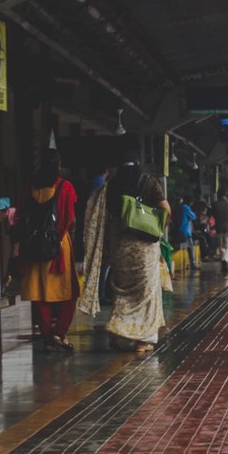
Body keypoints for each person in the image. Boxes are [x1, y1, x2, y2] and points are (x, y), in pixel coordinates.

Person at [80, 150, 168, 353]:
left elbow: (100, 216)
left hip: (120, 248)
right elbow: (166, 209)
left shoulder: (110, 187)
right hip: (144, 247)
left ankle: (118, 335)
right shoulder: (150, 183)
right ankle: (143, 340)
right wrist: (156, 227)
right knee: (145, 293)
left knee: (122, 291)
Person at [12, 149, 79, 352]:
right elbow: (70, 219)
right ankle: (60, 332)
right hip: (58, 246)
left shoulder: (29, 187)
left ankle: (47, 338)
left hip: (33, 247)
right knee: (70, 292)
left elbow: (20, 216)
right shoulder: (65, 187)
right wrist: (63, 238)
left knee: (40, 293)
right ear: (58, 166)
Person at [211, 191, 228, 272]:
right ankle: (225, 260)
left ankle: (223, 260)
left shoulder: (215, 204)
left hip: (219, 228)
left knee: (221, 246)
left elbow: (213, 215)